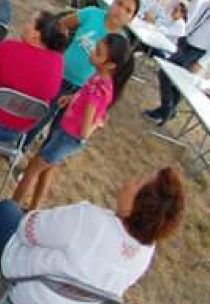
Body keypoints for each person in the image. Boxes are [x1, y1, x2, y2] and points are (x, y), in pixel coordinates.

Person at [0, 167, 184, 304]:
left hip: (26, 291)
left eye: (136, 182)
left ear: (137, 205)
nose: (128, 182)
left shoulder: (89, 218)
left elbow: (26, 231)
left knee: (6, 210)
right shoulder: (145, 254)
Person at [13, 33, 134, 210]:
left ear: (110, 65)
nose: (93, 52)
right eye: (96, 47)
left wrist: (97, 123)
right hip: (65, 131)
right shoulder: (99, 78)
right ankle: (33, 210)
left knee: (32, 169)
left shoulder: (98, 90)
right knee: (47, 169)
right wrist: (72, 98)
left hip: (68, 137)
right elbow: (85, 94)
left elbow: (85, 131)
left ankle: (10, 206)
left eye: (98, 52)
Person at [0, 11, 68, 144]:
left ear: (36, 35)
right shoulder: (58, 62)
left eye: (30, 22)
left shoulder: (8, 48)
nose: (25, 24)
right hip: (16, 133)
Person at [143, 0, 210, 125]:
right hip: (187, 44)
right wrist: (182, 39)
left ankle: (165, 110)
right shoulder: (206, 5)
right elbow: (192, 24)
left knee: (178, 82)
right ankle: (168, 109)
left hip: (198, 52)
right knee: (164, 72)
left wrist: (202, 62)